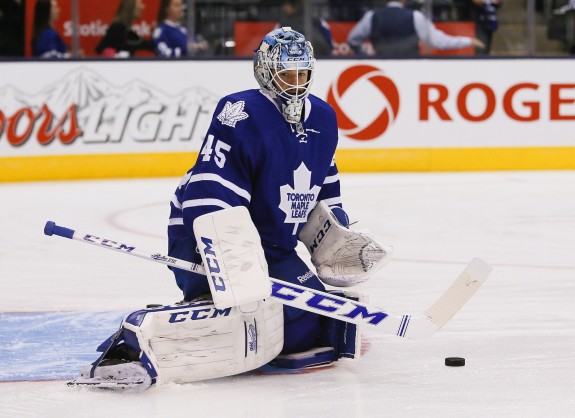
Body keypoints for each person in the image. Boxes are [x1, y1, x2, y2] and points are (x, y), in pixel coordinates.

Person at [70, 27, 391, 391]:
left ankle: (225, 314)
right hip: (206, 235)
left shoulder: (323, 118)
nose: (297, 84)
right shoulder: (240, 112)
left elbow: (324, 184)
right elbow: (208, 190)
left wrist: (335, 235)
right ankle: (139, 334)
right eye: (288, 74)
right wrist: (226, 253)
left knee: (312, 324)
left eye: (303, 74)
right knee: (250, 319)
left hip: (274, 248)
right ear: (265, 72)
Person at [347, 0, 486, 57]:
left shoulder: (372, 16)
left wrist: (365, 55)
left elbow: (353, 40)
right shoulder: (415, 17)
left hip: (380, 66)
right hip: (410, 68)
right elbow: (439, 42)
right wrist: (468, 40)